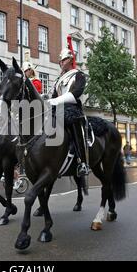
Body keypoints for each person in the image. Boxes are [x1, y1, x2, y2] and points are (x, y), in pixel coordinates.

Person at [47, 47, 89, 177]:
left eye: (63, 60)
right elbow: (53, 96)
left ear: (70, 60)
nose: (61, 63)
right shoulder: (59, 80)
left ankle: (83, 162)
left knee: (74, 122)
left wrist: (56, 100)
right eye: (60, 61)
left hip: (73, 108)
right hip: (58, 109)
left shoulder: (78, 75)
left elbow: (76, 93)